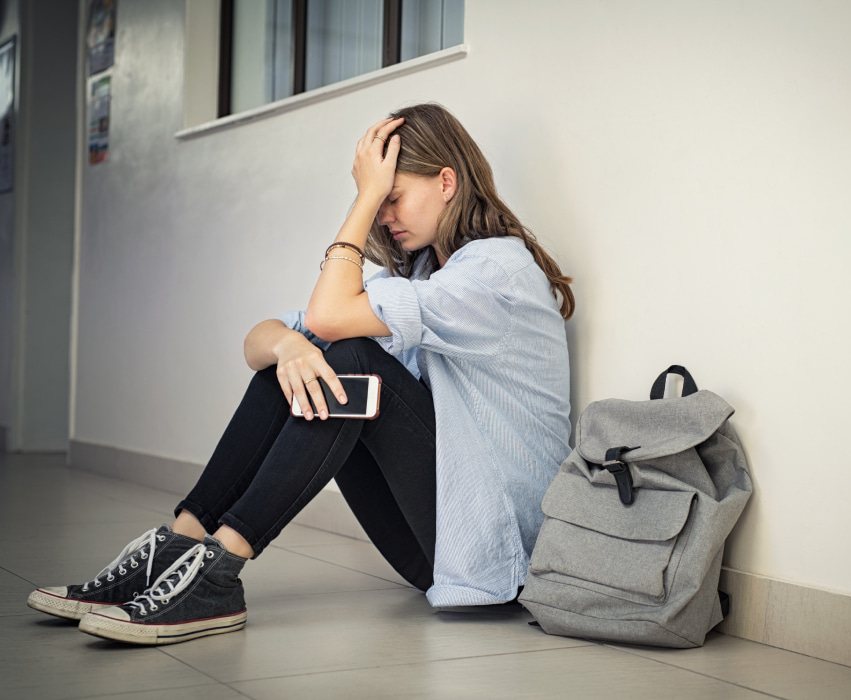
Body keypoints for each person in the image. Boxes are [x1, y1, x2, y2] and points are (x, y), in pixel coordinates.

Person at [26, 103, 574, 645]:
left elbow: (327, 317)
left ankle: (218, 573)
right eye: (377, 203)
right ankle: (178, 547)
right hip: (438, 549)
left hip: (498, 553)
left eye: (392, 198)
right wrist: (289, 346)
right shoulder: (424, 273)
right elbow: (259, 342)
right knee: (291, 365)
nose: (384, 215)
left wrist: (362, 198)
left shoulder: (496, 271)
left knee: (350, 359)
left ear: (447, 181)